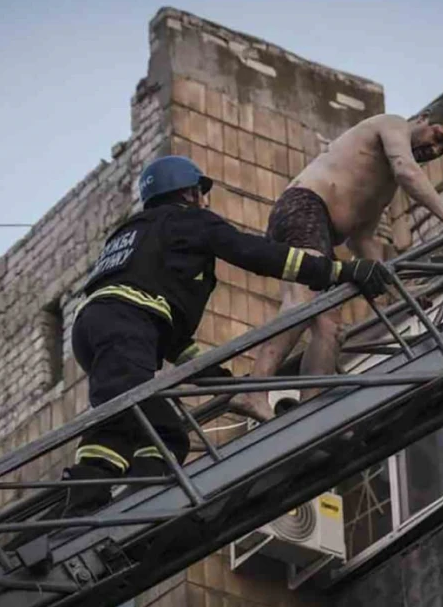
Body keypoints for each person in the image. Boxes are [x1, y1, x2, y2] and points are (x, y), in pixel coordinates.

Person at [60, 155, 392, 515]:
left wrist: (221, 381)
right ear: (189, 193)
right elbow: (258, 254)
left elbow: (174, 342)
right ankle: (140, 509)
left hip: (95, 330)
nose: (206, 202)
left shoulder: (136, 235)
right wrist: (339, 270)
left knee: (116, 422)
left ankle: (82, 505)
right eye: (202, 194)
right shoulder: (190, 221)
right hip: (127, 325)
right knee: (166, 433)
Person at [244, 100, 443, 419]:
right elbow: (407, 170)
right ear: (424, 117)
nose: (435, 149)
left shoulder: (384, 184)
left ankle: (310, 411)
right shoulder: (391, 125)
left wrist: (395, 291)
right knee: (302, 303)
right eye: (439, 137)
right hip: (304, 209)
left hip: (319, 230)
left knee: (330, 327)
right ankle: (254, 391)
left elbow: (361, 239)